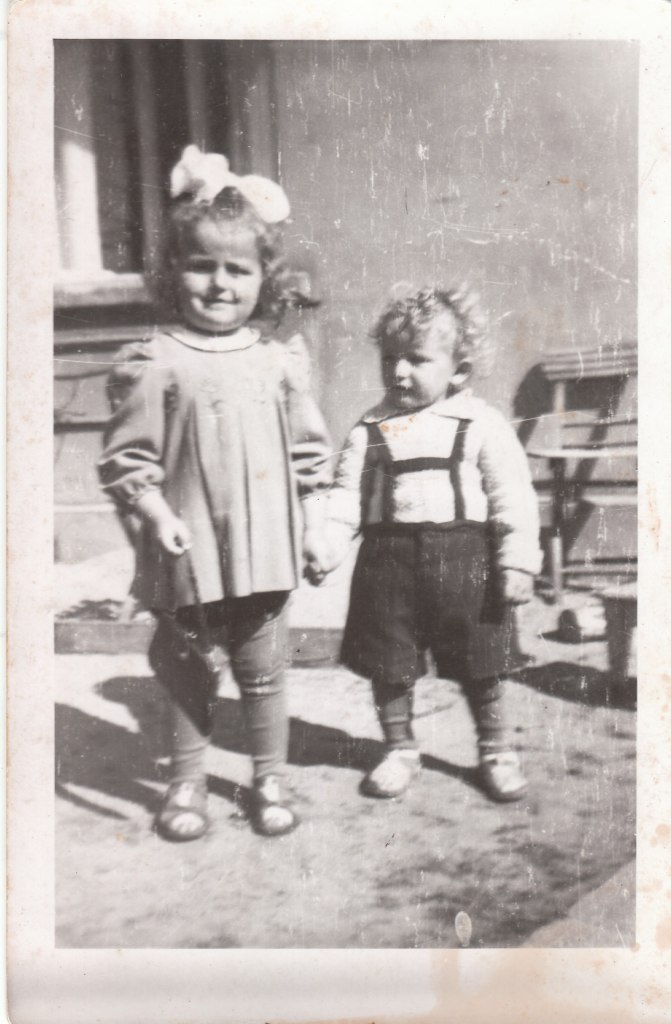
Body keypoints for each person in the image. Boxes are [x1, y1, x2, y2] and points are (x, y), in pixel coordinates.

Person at [99, 146, 331, 841]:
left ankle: (269, 778)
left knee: (263, 671)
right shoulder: (156, 360)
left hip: (265, 551)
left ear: (265, 278)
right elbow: (128, 457)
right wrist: (154, 510)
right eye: (203, 265)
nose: (221, 283)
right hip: (188, 550)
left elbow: (308, 456)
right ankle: (186, 783)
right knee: (187, 672)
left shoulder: (277, 362)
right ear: (174, 271)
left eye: (239, 269)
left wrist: (317, 526)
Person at [308, 286, 542, 802]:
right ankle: (400, 749)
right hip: (387, 564)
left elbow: (513, 497)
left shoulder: (481, 425)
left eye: (416, 359)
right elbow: (345, 496)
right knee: (388, 663)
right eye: (389, 358)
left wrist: (519, 562)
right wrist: (328, 542)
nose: (398, 371)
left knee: (482, 662)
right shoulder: (370, 428)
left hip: (467, 562)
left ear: (459, 370)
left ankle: (497, 750)